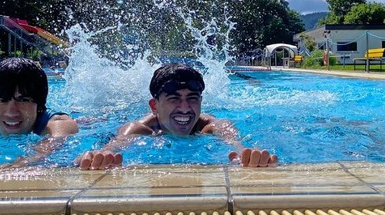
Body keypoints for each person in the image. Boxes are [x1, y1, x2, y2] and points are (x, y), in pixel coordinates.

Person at [75, 63, 278, 170]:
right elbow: (115, 145)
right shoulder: (139, 129)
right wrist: (100, 156)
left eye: (192, 98)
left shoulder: (212, 126)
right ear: (155, 106)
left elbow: (234, 142)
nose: (184, 108)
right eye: (174, 99)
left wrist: (246, 155)